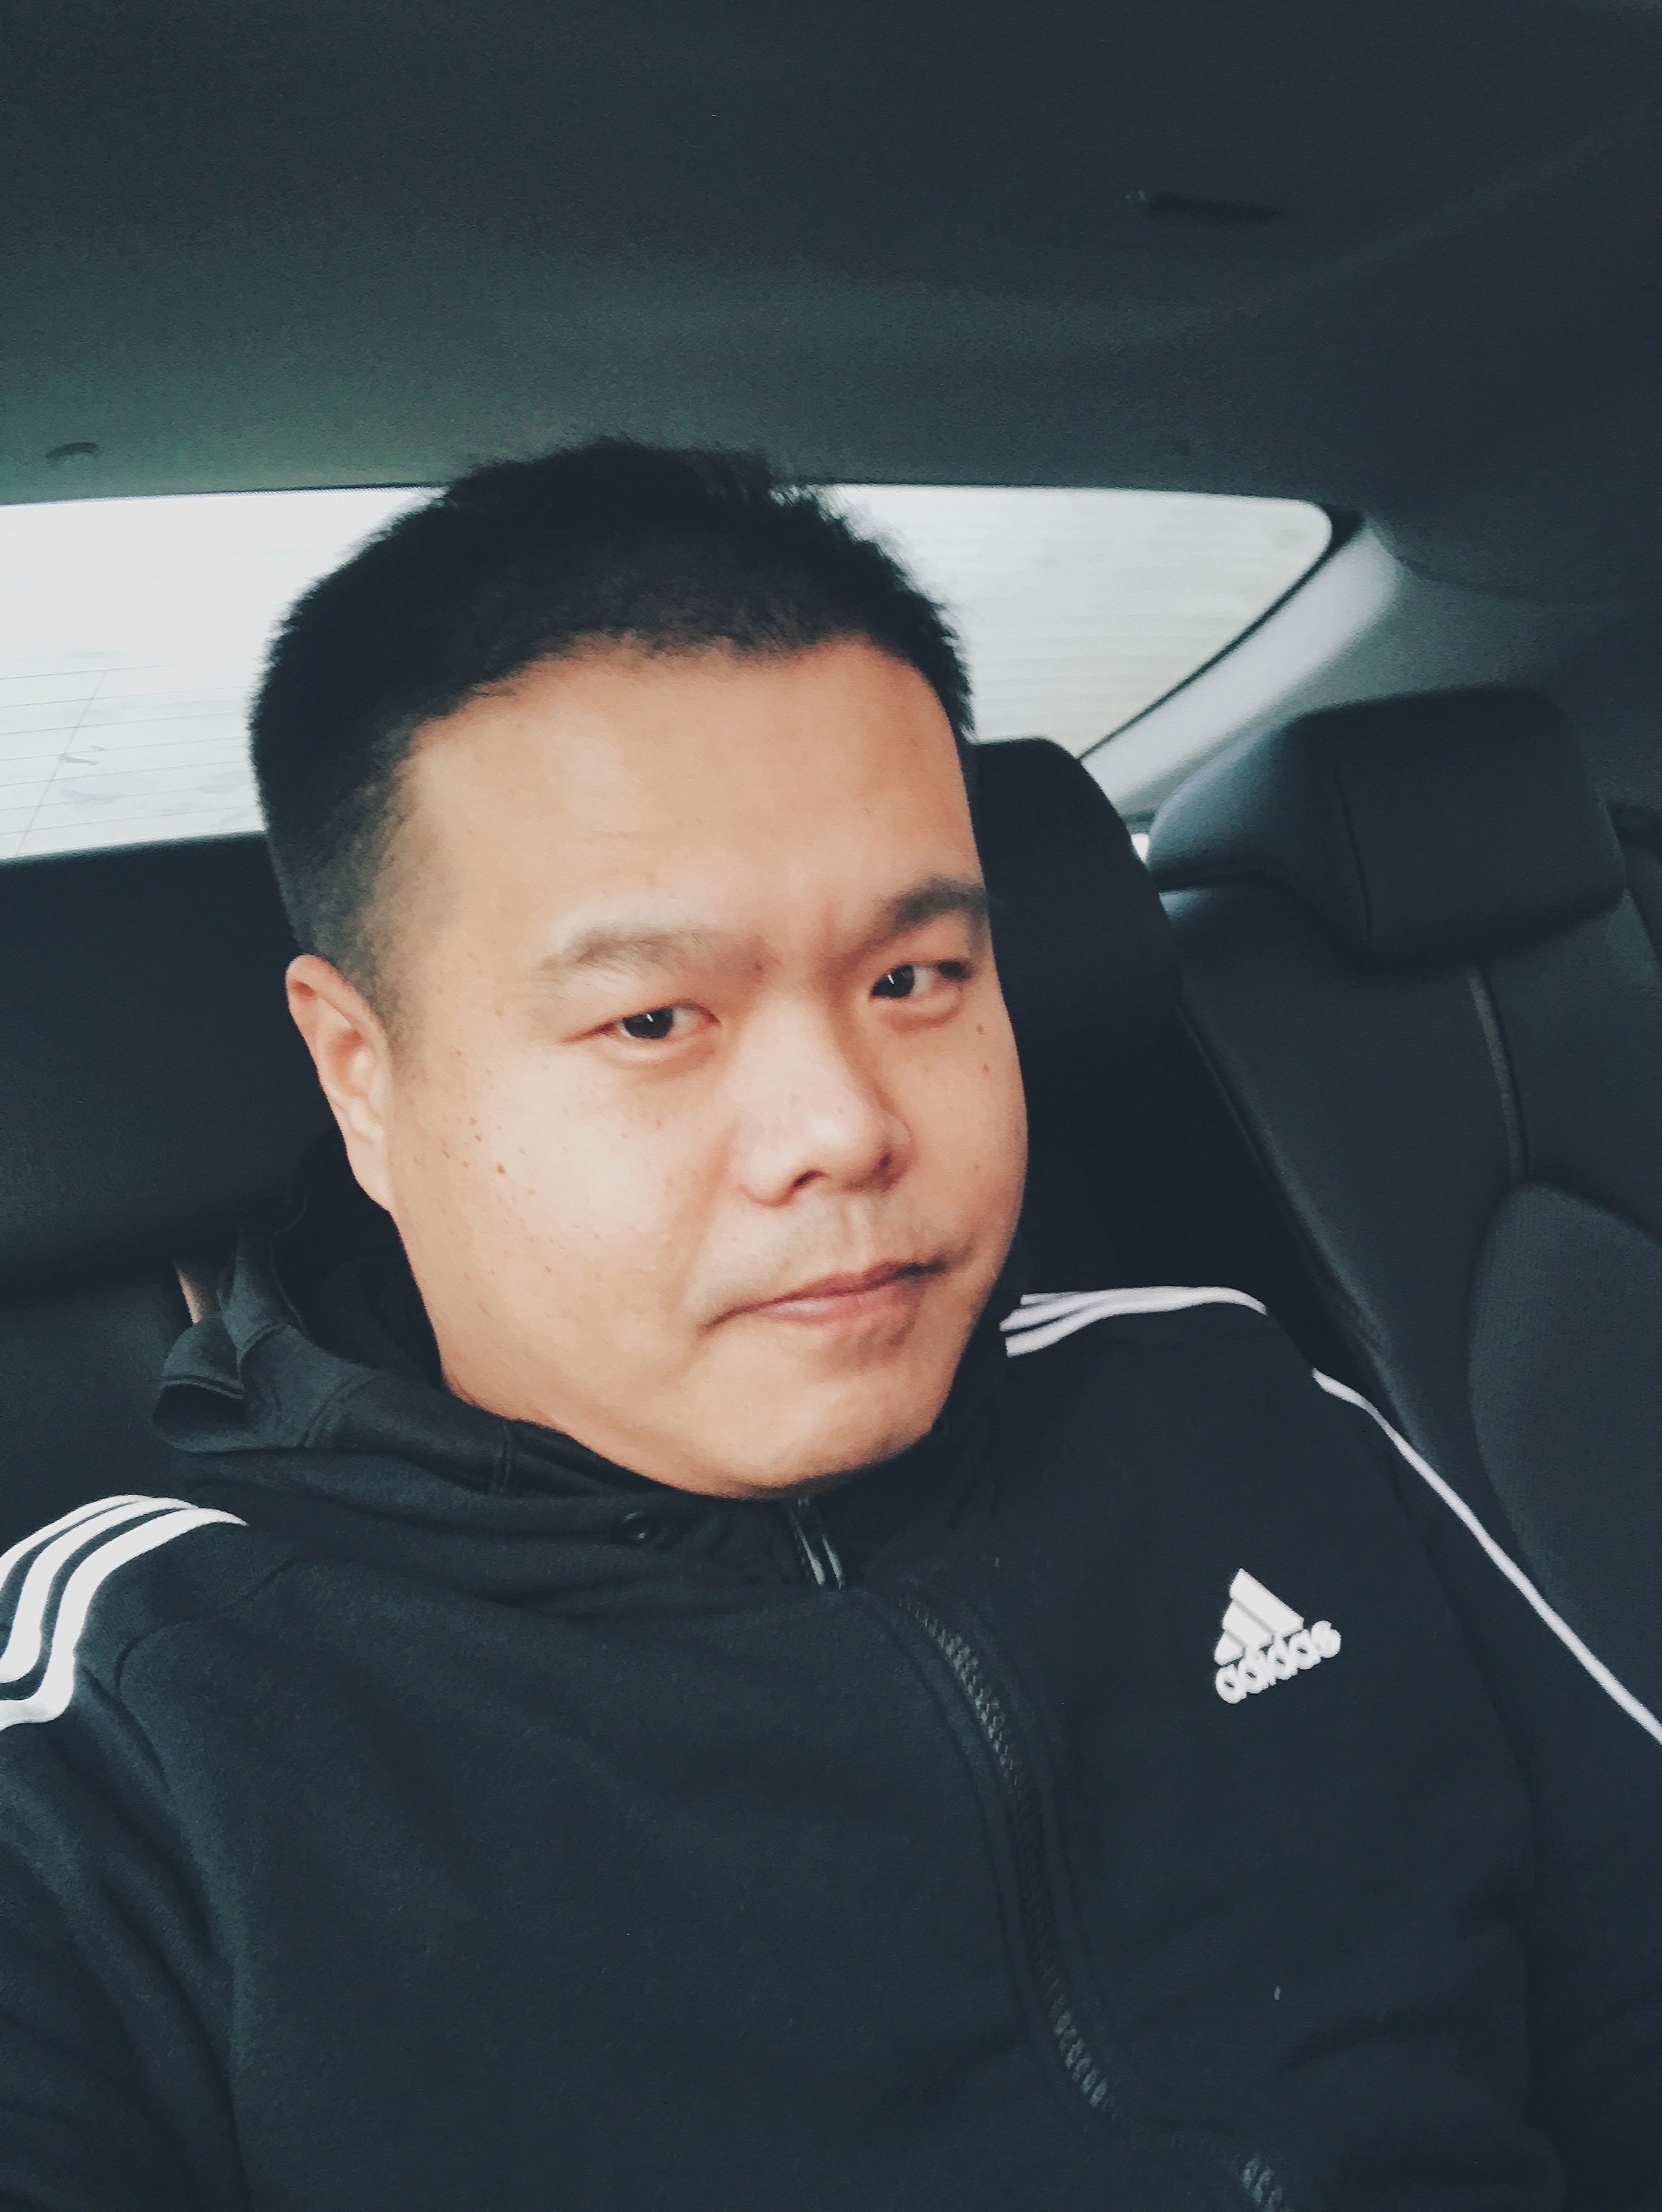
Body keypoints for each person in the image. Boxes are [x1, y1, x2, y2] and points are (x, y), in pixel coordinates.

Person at [0, 443, 1658, 2212]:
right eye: (652, 1018)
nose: (845, 1126)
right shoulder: (130, 1735)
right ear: (362, 1072)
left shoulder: (1233, 1401)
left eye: (910, 977)